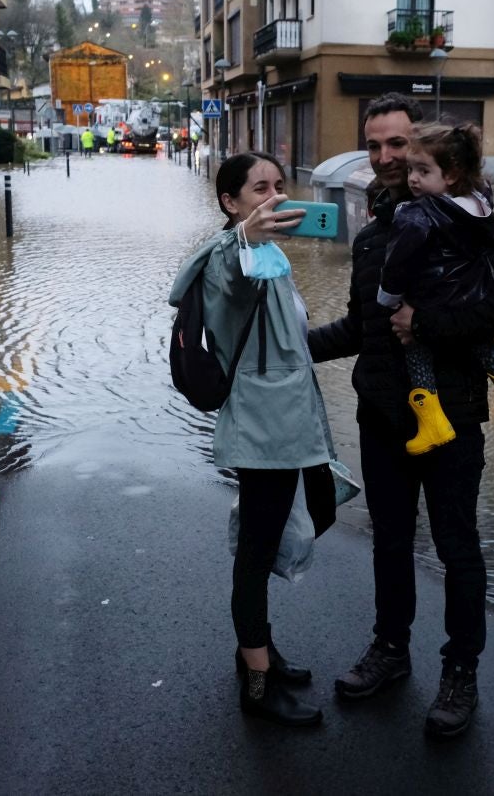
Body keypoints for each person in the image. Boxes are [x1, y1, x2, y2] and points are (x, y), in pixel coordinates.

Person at [308, 94, 494, 739]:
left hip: (453, 414)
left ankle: (461, 670)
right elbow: (365, 324)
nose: (384, 158)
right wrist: (288, 348)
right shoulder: (375, 231)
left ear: (424, 147)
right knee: (392, 542)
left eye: (396, 145)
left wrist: (426, 320)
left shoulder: (466, 222)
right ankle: (390, 650)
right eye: (373, 146)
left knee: (459, 548)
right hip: (382, 412)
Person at [168, 151, 329, 728]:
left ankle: (259, 653)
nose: (275, 197)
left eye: (281, 186)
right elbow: (233, 288)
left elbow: (290, 339)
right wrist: (243, 236)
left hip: (283, 423)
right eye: (259, 188)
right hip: (263, 429)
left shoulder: (270, 255)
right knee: (255, 554)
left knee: (263, 545)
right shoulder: (230, 259)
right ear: (229, 202)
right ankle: (256, 682)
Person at [378, 122, 494, 456]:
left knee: (417, 352)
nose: (413, 178)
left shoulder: (414, 215)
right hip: (469, 298)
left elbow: (396, 268)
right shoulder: (480, 206)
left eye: (422, 170)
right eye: (411, 170)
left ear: (451, 174)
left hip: (428, 305)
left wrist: (395, 305)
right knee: (482, 342)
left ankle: (432, 421)